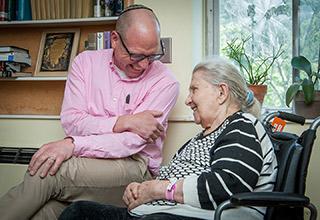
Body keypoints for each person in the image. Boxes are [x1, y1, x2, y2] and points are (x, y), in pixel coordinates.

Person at [0, 4, 179, 220]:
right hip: (89, 164)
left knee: (49, 172)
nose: (143, 65)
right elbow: (72, 121)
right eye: (136, 55)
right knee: (46, 211)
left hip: (135, 167)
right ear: (115, 39)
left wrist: (73, 145)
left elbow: (129, 142)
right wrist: (123, 121)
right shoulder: (85, 63)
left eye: (151, 56)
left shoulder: (165, 82)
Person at [59, 57, 278, 220]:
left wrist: (156, 190)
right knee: (77, 212)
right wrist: (140, 188)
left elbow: (227, 185)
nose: (188, 100)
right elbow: (171, 178)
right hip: (161, 213)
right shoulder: (200, 138)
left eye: (194, 90)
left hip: (198, 217)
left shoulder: (241, 126)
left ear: (221, 93)